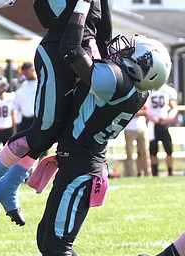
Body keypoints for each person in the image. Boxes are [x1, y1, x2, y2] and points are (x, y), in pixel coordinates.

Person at [0, 0, 112, 224]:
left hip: (87, 51)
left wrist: (108, 61)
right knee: (45, 129)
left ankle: (9, 182)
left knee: (60, 131)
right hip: (59, 49)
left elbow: (103, 22)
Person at [35, 5, 171, 253]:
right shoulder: (133, 89)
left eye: (131, 51)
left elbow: (71, 50)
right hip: (79, 164)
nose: (124, 50)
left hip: (81, 169)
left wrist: (81, 6)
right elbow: (104, 42)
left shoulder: (116, 82)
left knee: (56, 246)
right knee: (47, 240)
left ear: (141, 67)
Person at [146, 83, 178, 176]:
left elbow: (174, 107)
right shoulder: (148, 90)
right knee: (153, 150)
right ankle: (155, 172)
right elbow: (143, 107)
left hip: (163, 124)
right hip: (152, 125)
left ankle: (170, 171)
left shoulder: (167, 90)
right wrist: (150, 118)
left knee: (168, 149)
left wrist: (168, 118)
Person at [124, 105, 151, 177]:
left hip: (142, 128)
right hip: (129, 129)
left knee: (145, 153)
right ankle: (130, 174)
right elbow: (127, 113)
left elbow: (147, 112)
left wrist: (136, 113)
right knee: (129, 154)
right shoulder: (128, 99)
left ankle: (148, 173)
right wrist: (140, 113)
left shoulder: (142, 100)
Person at [15, 62, 37, 132]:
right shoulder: (23, 85)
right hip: (25, 120)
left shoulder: (40, 83)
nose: (26, 75)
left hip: (37, 118)